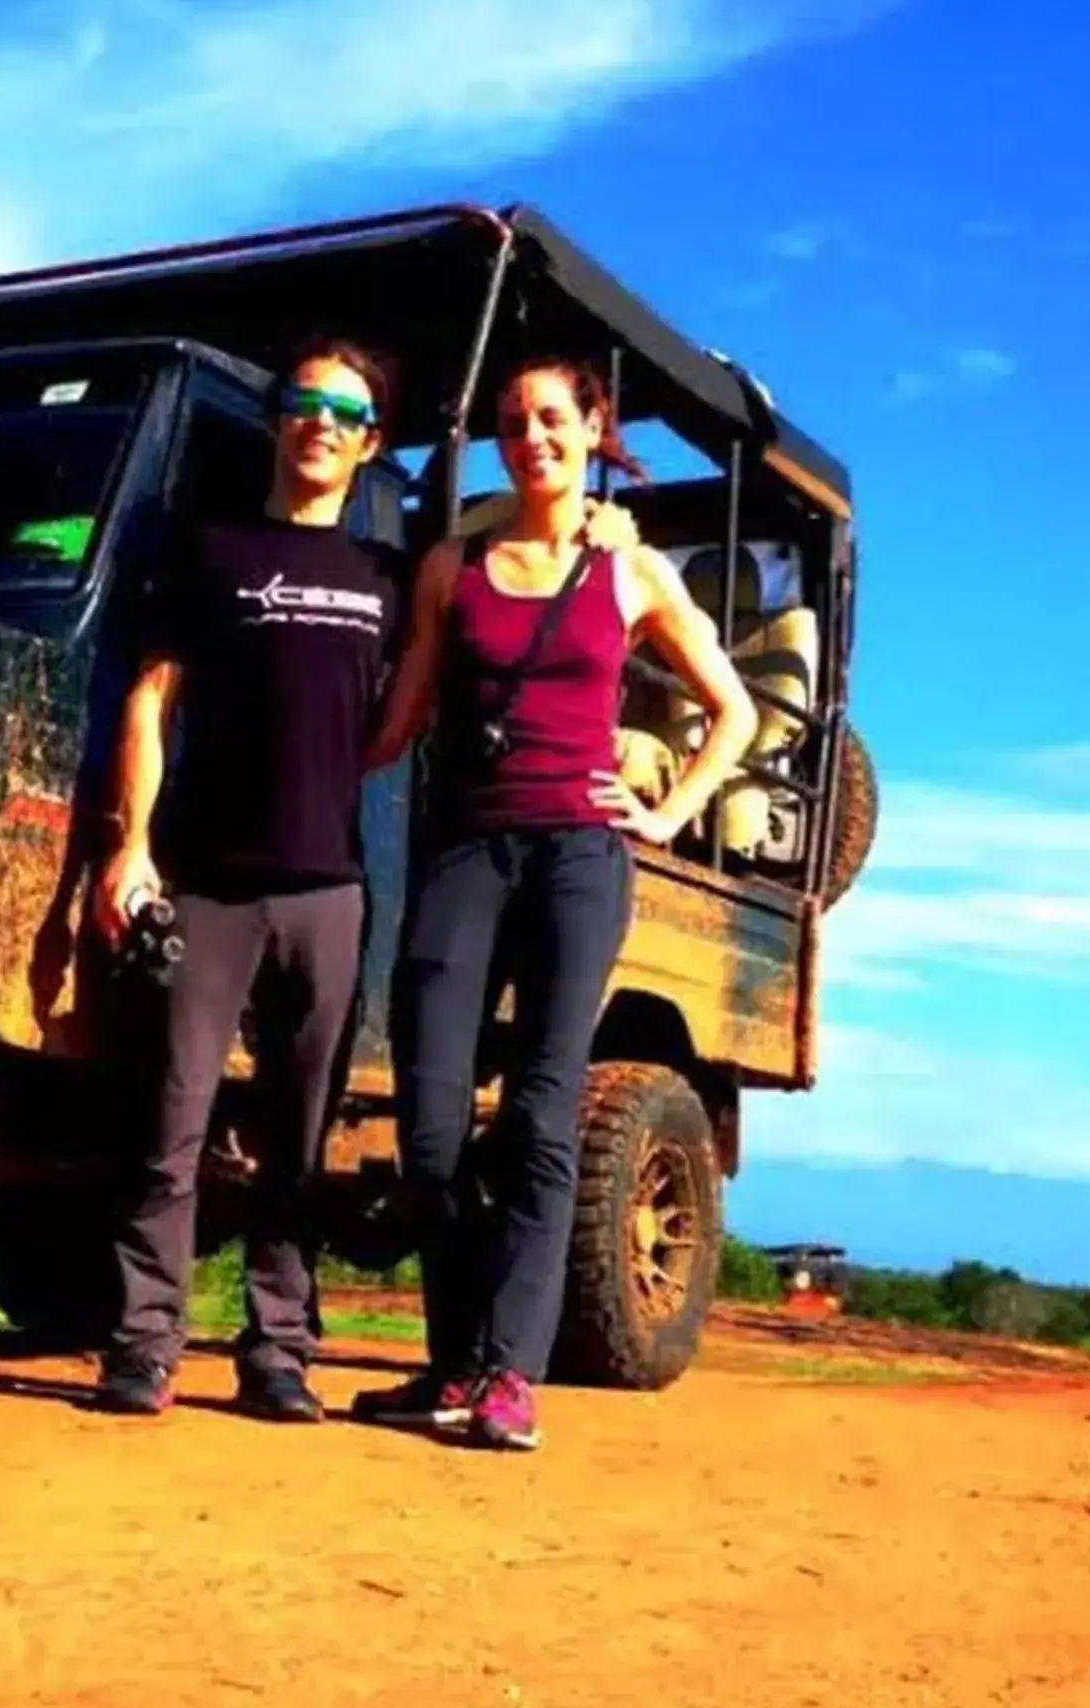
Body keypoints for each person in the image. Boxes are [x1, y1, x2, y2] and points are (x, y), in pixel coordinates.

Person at [84, 341, 639, 1420]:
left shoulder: (391, 573)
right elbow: (152, 700)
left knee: (299, 1142)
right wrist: (131, 843)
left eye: (346, 411)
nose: (322, 423)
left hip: (330, 887)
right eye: (305, 403)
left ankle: (278, 1352)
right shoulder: (208, 548)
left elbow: (424, 688)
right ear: (281, 421)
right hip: (204, 882)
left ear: (371, 442)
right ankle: (143, 1346)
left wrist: (600, 527)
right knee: (173, 1124)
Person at [350, 357, 760, 1452]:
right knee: (432, 1129)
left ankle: (509, 1377)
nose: (530, 437)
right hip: (465, 855)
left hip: (581, 857)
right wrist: (314, 769)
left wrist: (668, 813)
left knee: (541, 1110)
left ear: (591, 430)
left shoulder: (631, 575)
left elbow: (732, 710)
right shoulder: (454, 567)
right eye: (512, 423)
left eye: (550, 419)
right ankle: (453, 1363)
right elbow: (401, 715)